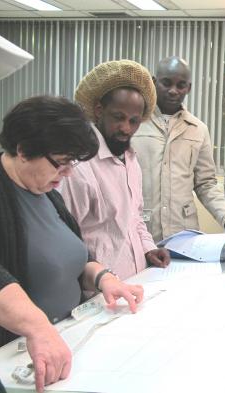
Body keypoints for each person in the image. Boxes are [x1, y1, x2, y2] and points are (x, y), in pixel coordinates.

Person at [0, 96, 143, 392]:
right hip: (18, 357)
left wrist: (104, 277)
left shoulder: (47, 192)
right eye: (62, 163)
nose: (68, 174)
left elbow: (72, 253)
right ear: (24, 150)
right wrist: (37, 327)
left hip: (67, 336)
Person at [60, 60, 170, 280]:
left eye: (134, 121)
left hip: (137, 282)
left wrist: (148, 248)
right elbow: (64, 237)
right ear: (99, 111)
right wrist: (99, 280)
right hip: (98, 294)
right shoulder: (79, 166)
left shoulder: (130, 160)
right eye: (118, 118)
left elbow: (134, 216)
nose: (126, 128)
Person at [132, 56, 225, 243]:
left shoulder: (198, 129)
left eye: (181, 85)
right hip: (142, 231)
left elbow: (206, 184)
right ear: (153, 82)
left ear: (189, 88)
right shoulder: (135, 123)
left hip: (183, 233)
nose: (173, 91)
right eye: (166, 83)